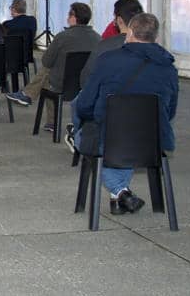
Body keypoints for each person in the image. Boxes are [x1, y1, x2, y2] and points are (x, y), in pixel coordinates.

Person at [74, 13, 178, 215]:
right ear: (155, 37)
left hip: (112, 137)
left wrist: (91, 118)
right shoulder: (169, 68)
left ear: (129, 32)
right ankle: (118, 199)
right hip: (152, 140)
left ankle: (121, 193)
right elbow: (170, 111)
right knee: (124, 137)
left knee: (85, 137)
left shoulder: (108, 60)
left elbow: (85, 104)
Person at [7, 2, 98, 110]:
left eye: (69, 15)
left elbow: (46, 61)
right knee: (49, 72)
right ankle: (27, 94)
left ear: (74, 17)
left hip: (61, 84)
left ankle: (50, 117)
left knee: (47, 73)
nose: (67, 18)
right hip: (88, 83)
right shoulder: (98, 38)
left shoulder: (62, 37)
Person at [82, 0, 142, 86]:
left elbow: (85, 80)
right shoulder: (153, 49)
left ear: (120, 20)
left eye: (114, 17)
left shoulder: (104, 47)